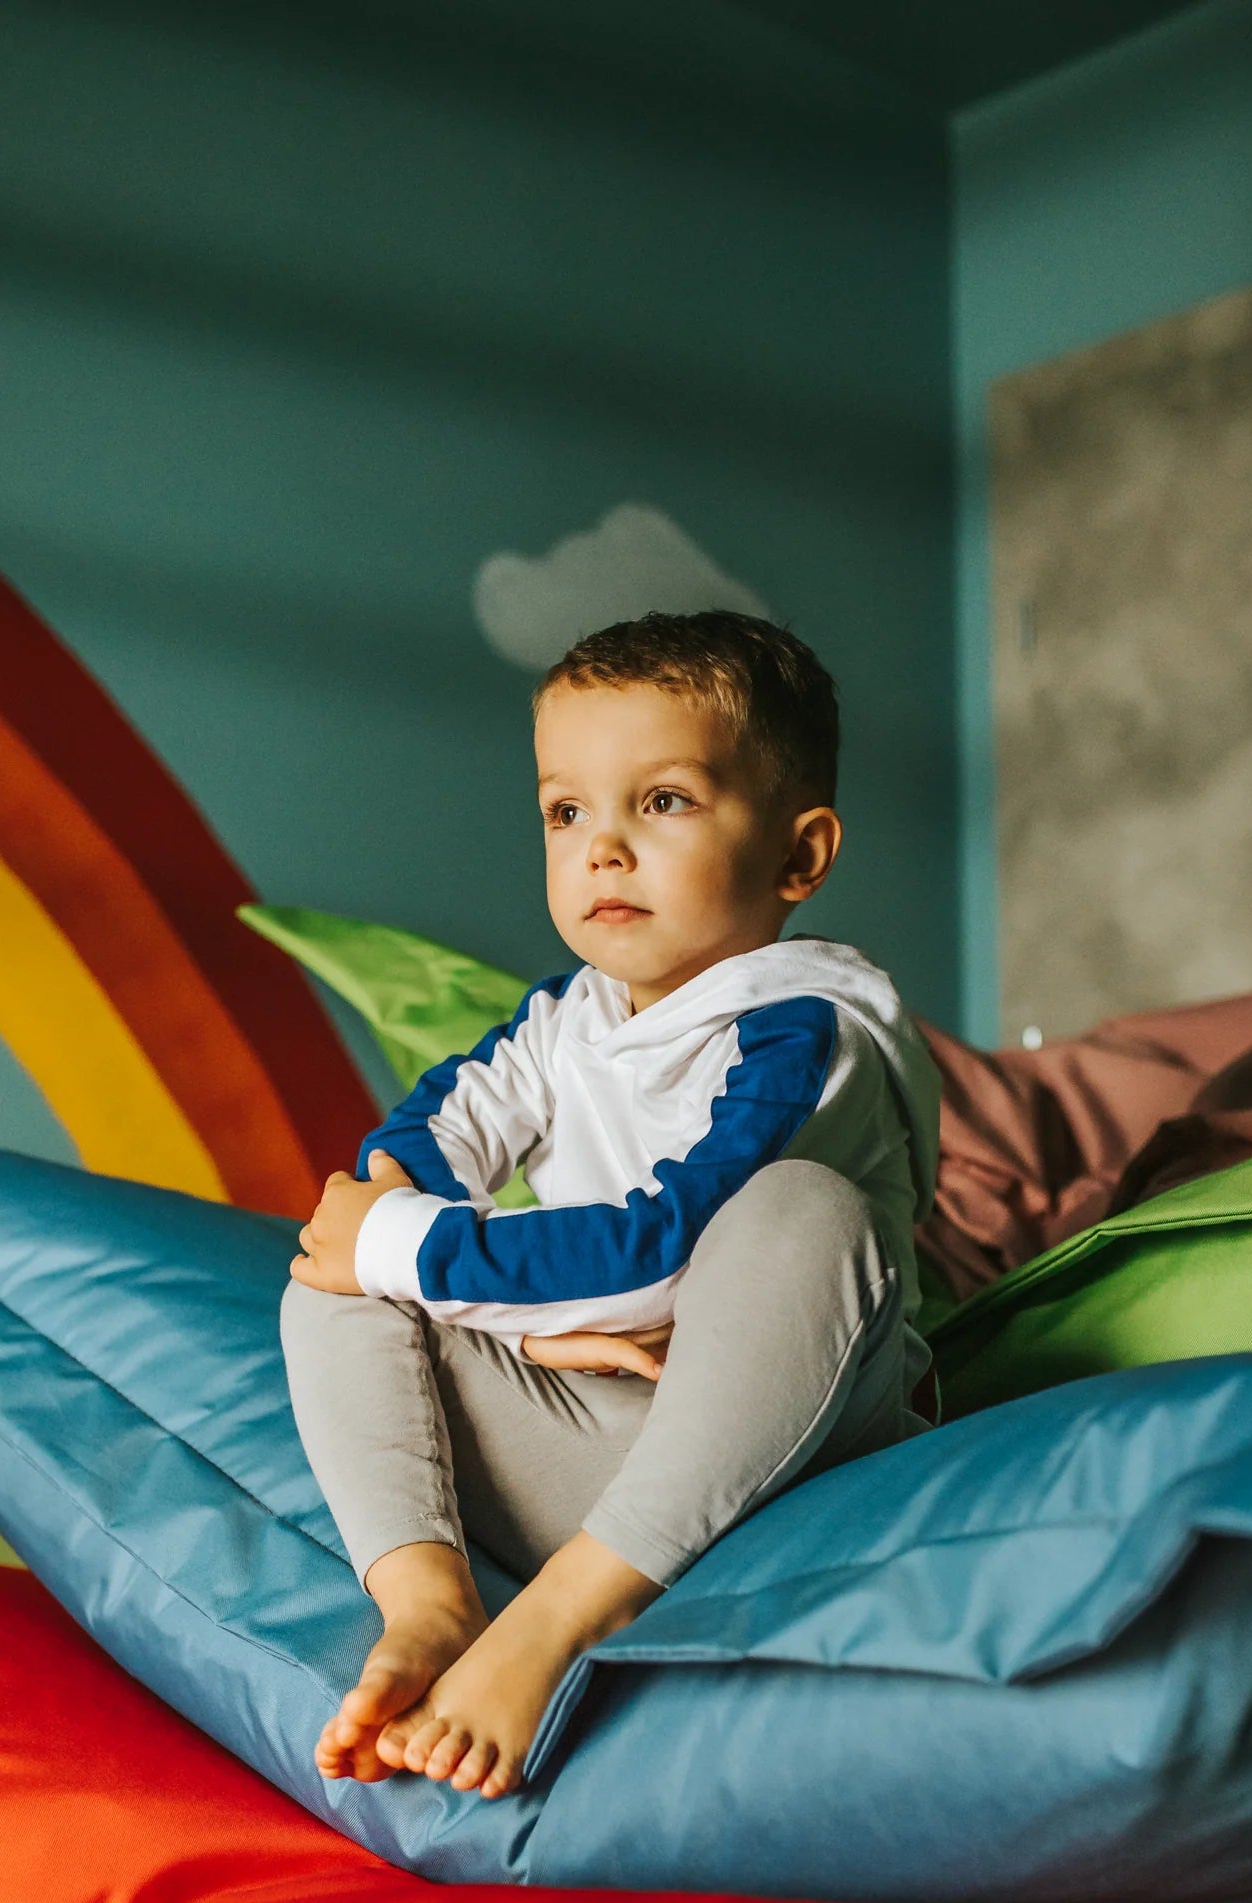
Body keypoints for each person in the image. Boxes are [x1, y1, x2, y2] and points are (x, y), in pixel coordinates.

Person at [281, 608, 940, 1799]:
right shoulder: (565, 1018)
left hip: (787, 1462)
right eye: (567, 811)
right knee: (336, 1270)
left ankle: (557, 1624)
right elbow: (406, 1163)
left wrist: (452, 1269)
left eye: (666, 802)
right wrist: (528, 1322)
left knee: (803, 1212)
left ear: (800, 856)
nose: (603, 849)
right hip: (601, 1447)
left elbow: (665, 1252)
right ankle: (431, 1600)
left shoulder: (804, 1033)